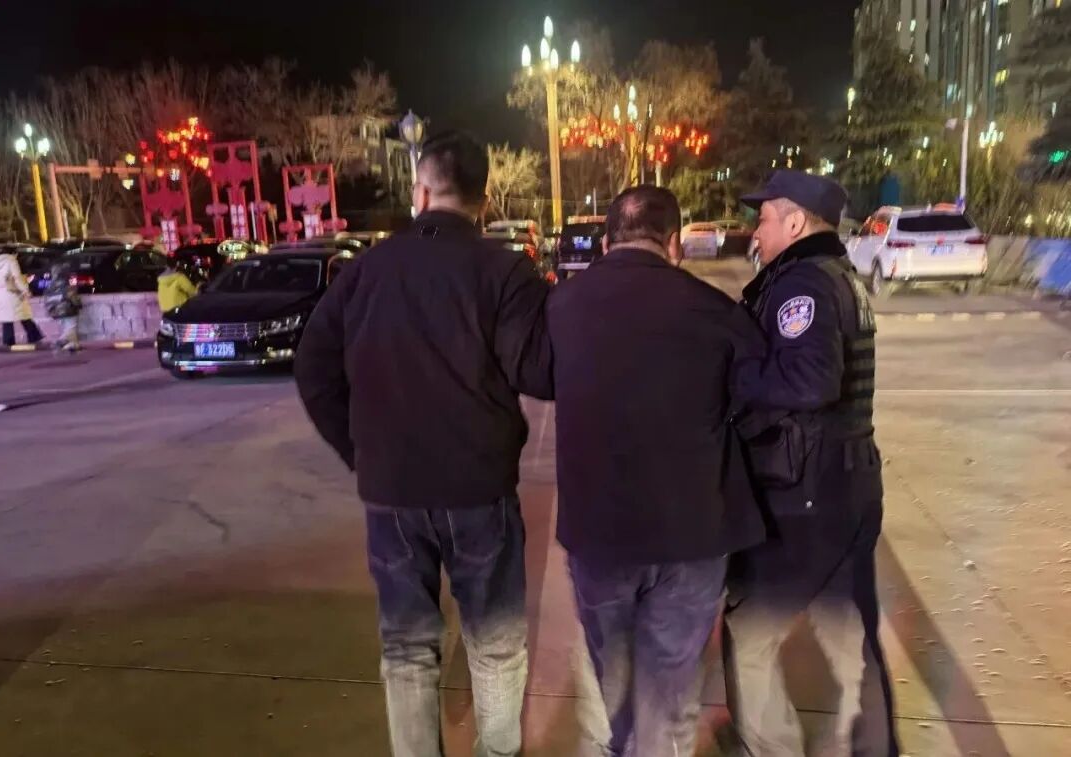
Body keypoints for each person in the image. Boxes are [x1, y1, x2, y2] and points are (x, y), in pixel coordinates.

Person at [294, 130, 552, 757]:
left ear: (421, 192)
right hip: (478, 487)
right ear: (483, 200)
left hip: (393, 492)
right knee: (495, 643)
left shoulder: (366, 270)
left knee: (407, 647)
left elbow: (313, 367)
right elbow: (540, 372)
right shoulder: (504, 271)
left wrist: (361, 450)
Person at [547, 185, 767, 756]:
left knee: (615, 681)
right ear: (674, 244)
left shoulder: (562, 306)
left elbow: (537, 378)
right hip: (692, 534)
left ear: (605, 242)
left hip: (599, 533)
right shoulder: (717, 312)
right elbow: (757, 405)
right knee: (671, 690)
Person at [724, 170, 898, 756]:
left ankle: (767, 747)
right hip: (849, 481)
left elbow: (809, 380)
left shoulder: (803, 285)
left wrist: (732, 375)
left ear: (795, 222)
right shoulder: (839, 276)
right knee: (851, 637)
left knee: (749, 631)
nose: (756, 231)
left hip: (805, 489)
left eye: (764, 219)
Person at [0, 248, 43, 347]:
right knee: (24, 315)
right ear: (13, 253)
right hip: (13, 293)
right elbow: (17, 278)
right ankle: (34, 336)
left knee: (6, 319)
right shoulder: (11, 261)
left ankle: (8, 341)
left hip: (2, 293)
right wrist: (25, 290)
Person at [43, 263, 83, 351]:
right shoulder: (66, 284)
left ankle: (67, 342)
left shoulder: (50, 286)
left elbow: (46, 300)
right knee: (71, 326)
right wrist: (79, 305)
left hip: (55, 312)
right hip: (68, 310)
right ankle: (70, 344)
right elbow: (73, 297)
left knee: (66, 327)